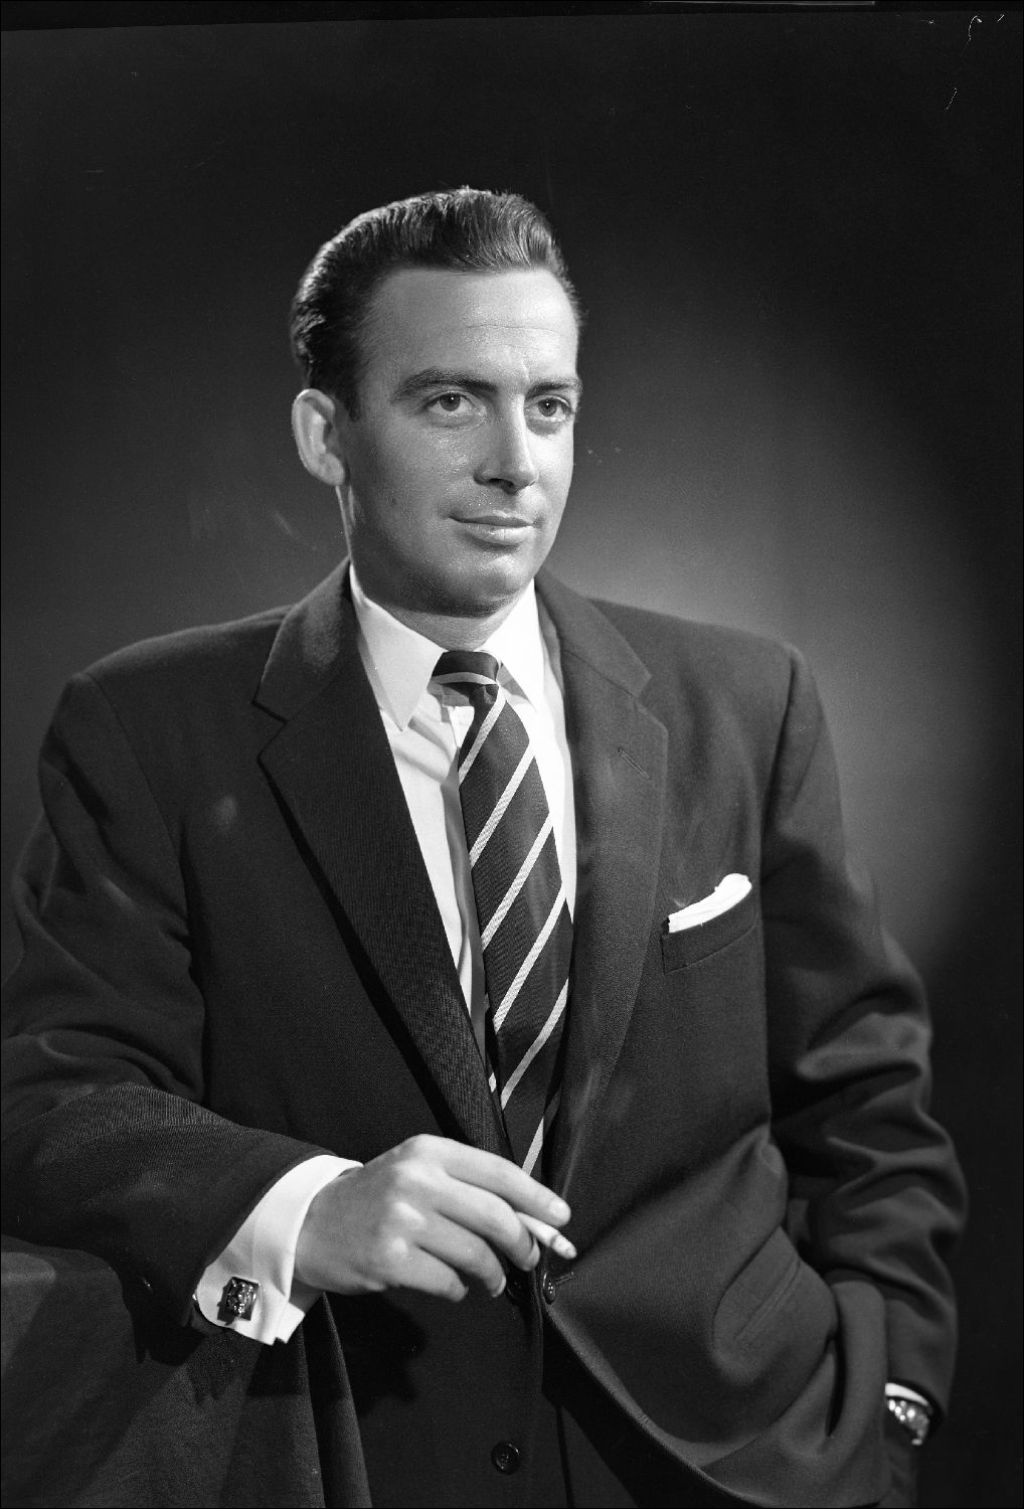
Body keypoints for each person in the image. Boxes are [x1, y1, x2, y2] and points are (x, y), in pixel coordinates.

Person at [2, 188, 965, 1508]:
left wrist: (893, 1400)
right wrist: (308, 1203)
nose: (518, 463)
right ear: (324, 435)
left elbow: (866, 1099)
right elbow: (55, 1093)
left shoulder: (751, 701)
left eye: (549, 406)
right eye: (452, 402)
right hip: (365, 1456)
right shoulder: (147, 728)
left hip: (748, 1457)